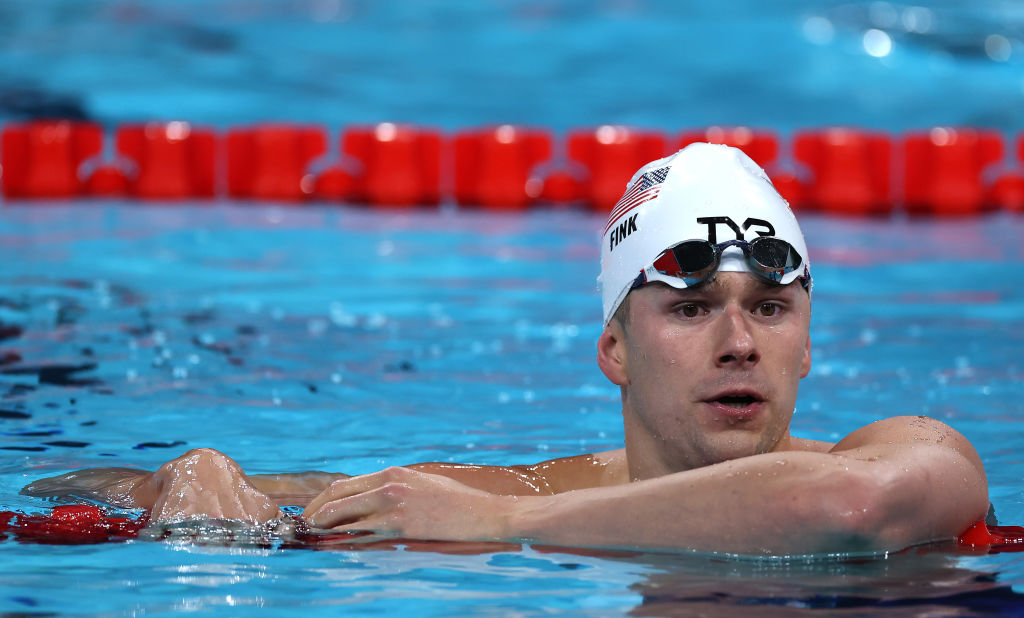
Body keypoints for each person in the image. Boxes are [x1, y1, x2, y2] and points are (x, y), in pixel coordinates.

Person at [22, 143, 989, 555]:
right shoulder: (521, 487)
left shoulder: (892, 453)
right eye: (690, 310)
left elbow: (860, 506)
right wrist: (185, 476)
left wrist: (493, 530)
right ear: (614, 347)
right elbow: (61, 487)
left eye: (770, 309)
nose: (739, 342)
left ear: (809, 346)